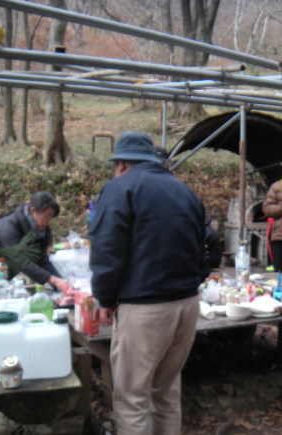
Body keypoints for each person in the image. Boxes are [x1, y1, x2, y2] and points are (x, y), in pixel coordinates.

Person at [89, 131, 209, 434]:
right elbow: (203, 248)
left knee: (132, 397)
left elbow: (107, 251)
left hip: (145, 309)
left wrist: (104, 299)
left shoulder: (119, 189)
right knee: (166, 392)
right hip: (187, 304)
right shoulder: (184, 190)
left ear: (121, 165)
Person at [0, 191, 72, 294]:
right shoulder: (10, 226)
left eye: (51, 217)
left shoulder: (40, 231)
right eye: (46, 216)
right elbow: (19, 260)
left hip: (1, 277)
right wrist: (53, 280)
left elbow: (41, 259)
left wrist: (60, 283)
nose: (48, 221)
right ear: (33, 210)